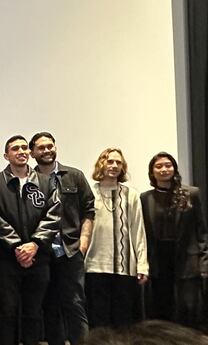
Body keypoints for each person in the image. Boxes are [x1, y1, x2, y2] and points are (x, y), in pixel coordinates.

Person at [0, 135, 60, 345]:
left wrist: (35, 244)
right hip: (7, 260)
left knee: (33, 313)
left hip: (39, 258)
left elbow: (54, 216)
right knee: (7, 312)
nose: (21, 151)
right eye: (15, 148)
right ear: (6, 155)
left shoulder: (46, 183)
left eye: (24, 147)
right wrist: (18, 247)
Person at [30, 132, 94, 345]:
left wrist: (83, 242)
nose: (47, 151)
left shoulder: (74, 175)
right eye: (41, 148)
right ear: (32, 153)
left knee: (75, 303)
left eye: (50, 146)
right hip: (43, 252)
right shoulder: (29, 180)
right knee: (49, 305)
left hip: (70, 249)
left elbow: (88, 211)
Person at [141, 152, 208, 329]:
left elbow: (201, 231)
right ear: (152, 172)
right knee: (161, 309)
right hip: (159, 261)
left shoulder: (191, 193)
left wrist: (204, 263)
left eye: (168, 165)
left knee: (189, 310)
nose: (164, 169)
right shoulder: (144, 198)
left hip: (187, 259)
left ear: (175, 169)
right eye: (159, 166)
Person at [84, 148, 148, 328]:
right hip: (94, 266)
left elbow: (138, 230)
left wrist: (142, 264)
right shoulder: (89, 193)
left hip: (124, 267)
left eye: (118, 163)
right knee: (98, 319)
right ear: (101, 164)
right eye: (110, 161)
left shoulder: (131, 195)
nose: (114, 166)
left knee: (123, 320)